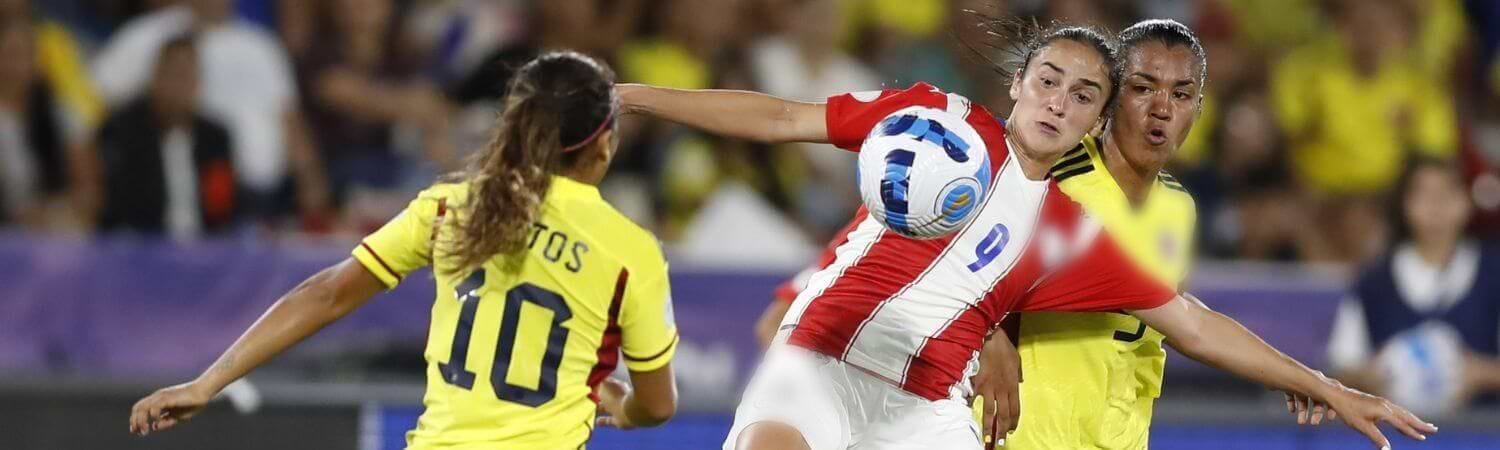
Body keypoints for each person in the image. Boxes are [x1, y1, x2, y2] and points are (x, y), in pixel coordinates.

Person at [619, 24, 1434, 450]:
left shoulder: (1068, 235)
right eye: (1048, 81)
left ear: (1095, 116)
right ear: (1017, 83)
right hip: (825, 356)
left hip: (923, 409)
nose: (1059, 102)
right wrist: (630, 95)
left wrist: (1327, 385)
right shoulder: (936, 119)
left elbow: (1191, 323)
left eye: (1083, 95)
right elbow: (781, 117)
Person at [127, 52, 680, 449]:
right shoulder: (630, 252)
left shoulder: (451, 207)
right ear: (605, 141)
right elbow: (658, 405)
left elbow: (326, 295)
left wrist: (206, 383)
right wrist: (624, 410)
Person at [1328, 158, 1500, 415]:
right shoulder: (1373, 282)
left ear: (1466, 202)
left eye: (1446, 193)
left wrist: (1481, 374)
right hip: (1393, 435)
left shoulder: (1493, 274)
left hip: (1480, 434)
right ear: (1405, 205)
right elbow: (1338, 370)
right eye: (1423, 195)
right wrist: (1375, 374)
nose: (1435, 207)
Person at [88, 35, 237, 239]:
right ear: (156, 77)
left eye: (188, 76)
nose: (181, 85)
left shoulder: (215, 138)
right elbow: (118, 208)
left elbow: (222, 207)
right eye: (175, 74)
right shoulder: (122, 131)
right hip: (144, 252)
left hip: (205, 254)